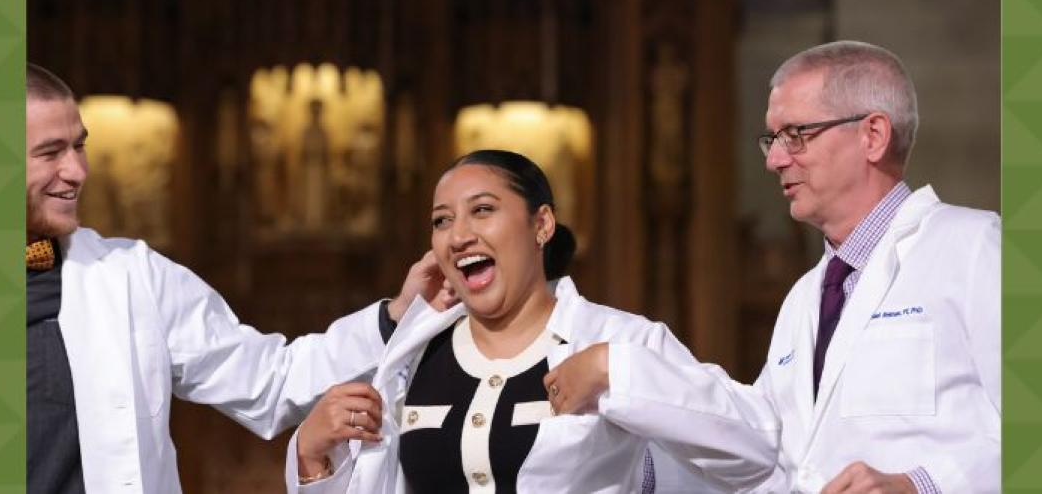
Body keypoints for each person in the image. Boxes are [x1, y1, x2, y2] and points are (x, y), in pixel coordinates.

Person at [547, 41, 1001, 493]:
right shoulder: (806, 296)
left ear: (873, 135)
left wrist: (920, 486)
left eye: (796, 135)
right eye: (773, 138)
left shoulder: (975, 246)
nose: (774, 159)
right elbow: (770, 462)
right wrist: (630, 464)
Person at [283, 150, 745, 493]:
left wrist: (615, 370)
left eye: (482, 210)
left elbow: (745, 448)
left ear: (542, 225)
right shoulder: (409, 359)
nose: (460, 235)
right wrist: (312, 458)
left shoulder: (621, 341)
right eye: (442, 221)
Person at [25, 63, 390, 494]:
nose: (78, 171)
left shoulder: (131, 277)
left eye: (79, 146)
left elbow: (273, 379)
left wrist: (398, 315)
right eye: (51, 153)